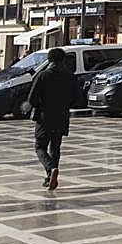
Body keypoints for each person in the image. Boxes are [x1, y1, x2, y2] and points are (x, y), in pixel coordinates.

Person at [27, 47, 75, 191]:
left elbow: (32, 99)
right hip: (62, 117)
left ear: (49, 60)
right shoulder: (70, 76)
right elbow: (77, 98)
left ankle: (51, 168)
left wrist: (39, 105)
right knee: (55, 147)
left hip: (44, 117)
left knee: (40, 146)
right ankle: (50, 178)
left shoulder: (43, 75)